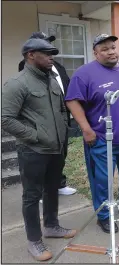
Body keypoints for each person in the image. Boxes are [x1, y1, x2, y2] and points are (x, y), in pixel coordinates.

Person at [2, 38, 77, 261]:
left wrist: (63, 132)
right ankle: (34, 240)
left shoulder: (53, 79)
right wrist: (35, 136)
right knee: (32, 195)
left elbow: (62, 110)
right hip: (33, 150)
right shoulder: (18, 83)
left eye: (52, 53)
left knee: (52, 188)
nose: (51, 57)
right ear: (31, 55)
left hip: (56, 147)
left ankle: (52, 226)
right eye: (46, 53)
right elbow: (5, 118)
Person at [64, 34, 119, 234]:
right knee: (102, 181)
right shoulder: (84, 74)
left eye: (113, 47)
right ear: (96, 53)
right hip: (102, 140)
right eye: (105, 49)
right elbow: (72, 101)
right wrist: (86, 129)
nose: (111, 52)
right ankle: (104, 215)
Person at [18, 31, 77, 196]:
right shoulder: (27, 66)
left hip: (62, 118)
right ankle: (41, 190)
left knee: (60, 153)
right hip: (42, 118)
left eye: (50, 44)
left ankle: (58, 184)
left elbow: (67, 88)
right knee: (42, 156)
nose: (48, 48)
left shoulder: (58, 67)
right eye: (44, 44)